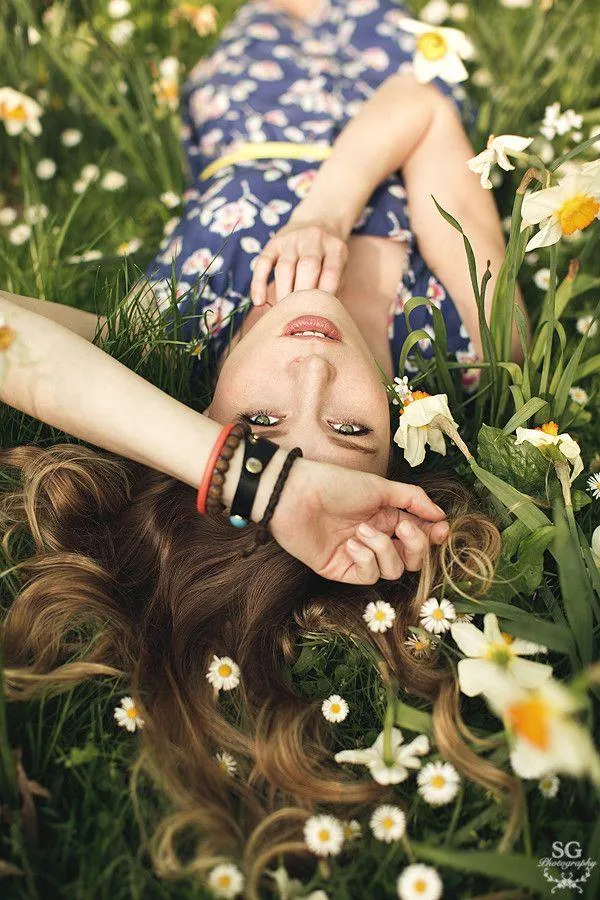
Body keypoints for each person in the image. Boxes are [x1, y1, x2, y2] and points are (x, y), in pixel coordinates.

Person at [0, 0, 524, 895]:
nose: (312, 373)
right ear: (401, 445)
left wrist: (251, 480)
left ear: (204, 420)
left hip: (247, 98)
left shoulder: (184, 334)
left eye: (263, 431)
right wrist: (327, 206)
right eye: (354, 432)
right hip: (384, 56)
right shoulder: (468, 344)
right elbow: (421, 102)